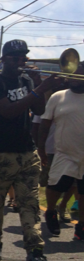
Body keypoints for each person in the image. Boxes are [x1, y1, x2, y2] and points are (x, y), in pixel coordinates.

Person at [0, 39, 60, 261]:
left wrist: (37, 84)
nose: (21, 62)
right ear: (3, 60)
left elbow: (40, 111)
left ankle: (35, 254)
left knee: (30, 203)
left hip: (25, 151)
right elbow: (9, 111)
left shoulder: (26, 81)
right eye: (15, 58)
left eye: (24, 58)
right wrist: (38, 90)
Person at [38, 62, 84, 240]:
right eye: (71, 73)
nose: (73, 76)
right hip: (64, 152)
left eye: (78, 73)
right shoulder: (58, 96)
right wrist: (41, 148)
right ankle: (50, 211)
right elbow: (45, 123)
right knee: (55, 185)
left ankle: (81, 226)